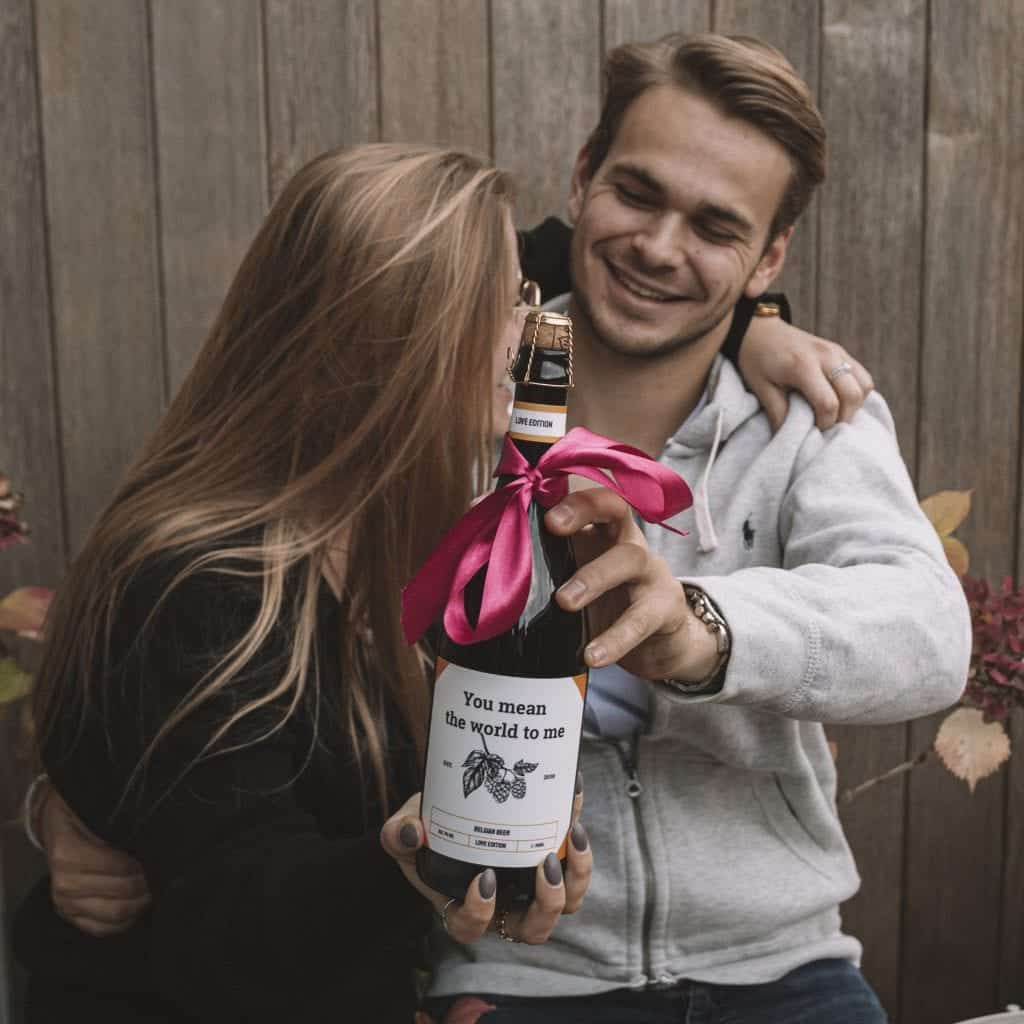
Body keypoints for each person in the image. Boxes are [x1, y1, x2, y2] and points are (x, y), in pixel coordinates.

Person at [388, 32, 967, 1023]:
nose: (659, 247)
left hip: (784, 967)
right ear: (581, 177)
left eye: (714, 226)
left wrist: (700, 628)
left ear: (768, 257)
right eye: (637, 193)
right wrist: (84, 812)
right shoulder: (454, 389)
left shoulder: (811, 415)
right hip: (519, 969)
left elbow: (925, 631)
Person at [14, 145, 604, 1023]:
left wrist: (759, 318)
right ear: (396, 343)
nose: (527, 333)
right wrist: (421, 852)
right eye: (506, 304)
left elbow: (620, 246)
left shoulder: (373, 541)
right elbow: (233, 936)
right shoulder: (200, 588)